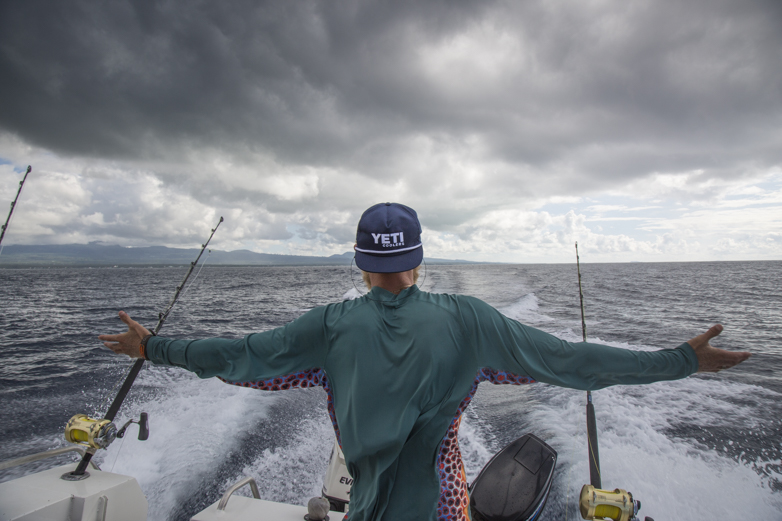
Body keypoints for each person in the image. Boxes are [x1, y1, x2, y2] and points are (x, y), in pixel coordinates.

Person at [100, 202, 750, 521]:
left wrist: (151, 346)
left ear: (360, 263)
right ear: (416, 259)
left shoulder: (329, 328)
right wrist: (680, 360)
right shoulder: (469, 322)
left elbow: (236, 357)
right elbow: (574, 362)